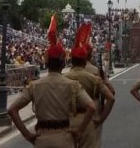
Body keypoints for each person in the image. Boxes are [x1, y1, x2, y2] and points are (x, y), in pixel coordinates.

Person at [8, 15, 96, 147]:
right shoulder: (72, 85)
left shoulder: (34, 85)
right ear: (63, 63)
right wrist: (80, 129)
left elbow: (12, 109)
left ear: (46, 63)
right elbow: (92, 107)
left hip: (42, 138)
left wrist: (27, 135)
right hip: (64, 138)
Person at [66, 24, 115, 148]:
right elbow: (111, 92)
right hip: (92, 113)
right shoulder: (95, 71)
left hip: (69, 116)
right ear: (90, 54)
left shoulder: (66, 77)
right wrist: (101, 116)